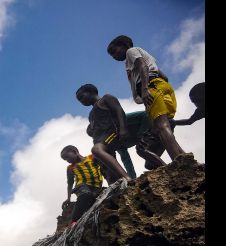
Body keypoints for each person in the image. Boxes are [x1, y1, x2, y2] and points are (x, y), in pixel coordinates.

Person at [107, 35, 193, 164]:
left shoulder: (131, 51)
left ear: (124, 45)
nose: (114, 56)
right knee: (165, 126)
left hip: (151, 87)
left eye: (114, 51)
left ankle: (179, 160)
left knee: (161, 126)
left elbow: (142, 66)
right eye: (111, 55)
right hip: (162, 86)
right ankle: (183, 156)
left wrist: (145, 88)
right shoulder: (147, 56)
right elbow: (163, 75)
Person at [76, 83, 166, 175]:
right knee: (123, 156)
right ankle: (131, 178)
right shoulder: (91, 115)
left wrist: (125, 129)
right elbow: (97, 133)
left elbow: (119, 110)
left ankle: (160, 163)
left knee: (141, 148)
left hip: (120, 130)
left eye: (81, 97)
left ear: (91, 92)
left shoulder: (106, 99)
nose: (81, 101)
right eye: (79, 100)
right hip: (112, 138)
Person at [61, 145, 104, 226]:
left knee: (92, 199)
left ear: (75, 152)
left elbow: (103, 168)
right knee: (85, 194)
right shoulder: (70, 168)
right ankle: (74, 220)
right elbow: (70, 183)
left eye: (68, 157)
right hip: (81, 186)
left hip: (96, 186)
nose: (68, 160)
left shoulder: (92, 158)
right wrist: (68, 198)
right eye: (65, 159)